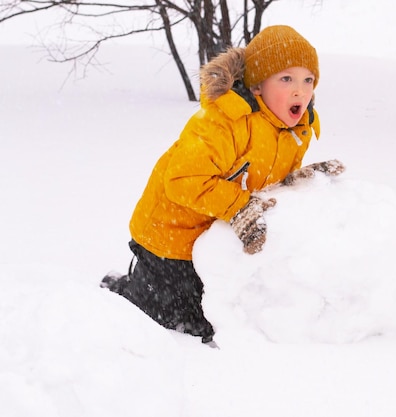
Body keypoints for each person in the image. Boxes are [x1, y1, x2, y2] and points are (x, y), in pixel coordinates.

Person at [100, 25, 345, 345]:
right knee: (174, 321)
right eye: (286, 79)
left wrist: (294, 185)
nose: (300, 91)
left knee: (214, 309)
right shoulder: (225, 121)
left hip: (212, 236)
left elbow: (261, 178)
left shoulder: (298, 129)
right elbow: (182, 180)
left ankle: (143, 285)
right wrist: (239, 205)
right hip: (171, 234)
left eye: (308, 80)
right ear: (258, 86)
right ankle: (126, 292)